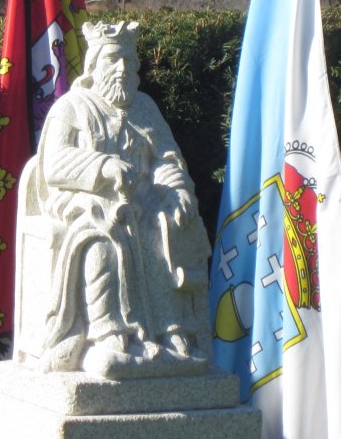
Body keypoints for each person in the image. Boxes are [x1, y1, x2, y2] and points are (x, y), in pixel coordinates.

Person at [16, 21, 210, 378]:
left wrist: (177, 191)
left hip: (142, 202)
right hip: (82, 200)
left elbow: (167, 158)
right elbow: (54, 163)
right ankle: (107, 332)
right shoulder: (71, 108)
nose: (122, 69)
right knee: (104, 235)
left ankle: (171, 330)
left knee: (163, 228)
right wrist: (103, 166)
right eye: (113, 60)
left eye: (129, 61)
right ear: (95, 65)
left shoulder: (145, 108)